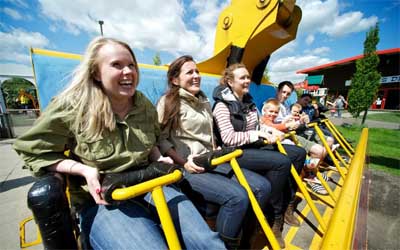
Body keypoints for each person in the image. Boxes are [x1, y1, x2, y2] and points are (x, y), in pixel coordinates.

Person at [13, 37, 225, 249]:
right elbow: (33, 152)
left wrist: (158, 157)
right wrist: (83, 170)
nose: (128, 71)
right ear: (96, 72)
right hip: (104, 200)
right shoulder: (73, 106)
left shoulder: (143, 104)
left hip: (150, 184)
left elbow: (152, 138)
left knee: (208, 243)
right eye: (117, 65)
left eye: (131, 65)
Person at [156, 55, 271, 248]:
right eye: (189, 72)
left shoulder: (203, 100)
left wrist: (215, 145)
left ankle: (246, 240)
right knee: (237, 197)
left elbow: (208, 133)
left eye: (197, 71)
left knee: (262, 187)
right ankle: (225, 246)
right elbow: (160, 138)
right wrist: (182, 162)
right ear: (175, 80)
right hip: (188, 166)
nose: (196, 76)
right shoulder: (169, 102)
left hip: (212, 160)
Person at [212, 63, 306, 248]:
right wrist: (258, 135)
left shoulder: (248, 102)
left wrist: (269, 132)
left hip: (251, 145)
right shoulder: (222, 106)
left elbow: (256, 126)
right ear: (230, 82)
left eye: (248, 76)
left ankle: (286, 203)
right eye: (242, 78)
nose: (247, 80)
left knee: (298, 153)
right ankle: (273, 215)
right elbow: (229, 138)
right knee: (281, 162)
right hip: (234, 152)